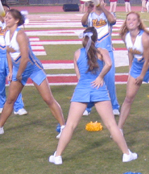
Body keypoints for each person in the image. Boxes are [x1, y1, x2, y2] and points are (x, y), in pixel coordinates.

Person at [49, 27, 136, 165]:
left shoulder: (77, 53)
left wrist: (87, 82)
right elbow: (109, 64)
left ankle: (57, 156)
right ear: (96, 38)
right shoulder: (102, 51)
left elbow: (78, 76)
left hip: (82, 89)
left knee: (70, 125)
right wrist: (100, 77)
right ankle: (126, 154)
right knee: (111, 125)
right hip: (99, 89)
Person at [0, 9, 65, 137]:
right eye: (6, 18)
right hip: (19, 69)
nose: (6, 19)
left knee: (48, 99)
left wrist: (19, 74)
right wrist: (12, 71)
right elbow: (8, 53)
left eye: (9, 18)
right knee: (10, 99)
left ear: (17, 20)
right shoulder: (6, 33)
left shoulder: (21, 35)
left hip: (33, 69)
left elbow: (25, 58)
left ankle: (63, 126)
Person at [80, 0, 119, 116]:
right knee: (91, 79)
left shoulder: (108, 14)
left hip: (107, 50)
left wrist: (102, 7)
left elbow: (112, 21)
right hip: (92, 51)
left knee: (109, 80)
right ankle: (88, 107)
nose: (98, 1)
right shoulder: (90, 16)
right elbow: (83, 23)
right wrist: (88, 10)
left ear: (105, 3)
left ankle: (114, 106)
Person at [0, 5, 26, 115]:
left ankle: (18, 106)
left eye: (6, 10)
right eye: (2, 9)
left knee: (14, 81)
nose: (4, 12)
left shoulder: (11, 24)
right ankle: (1, 104)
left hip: (12, 56)